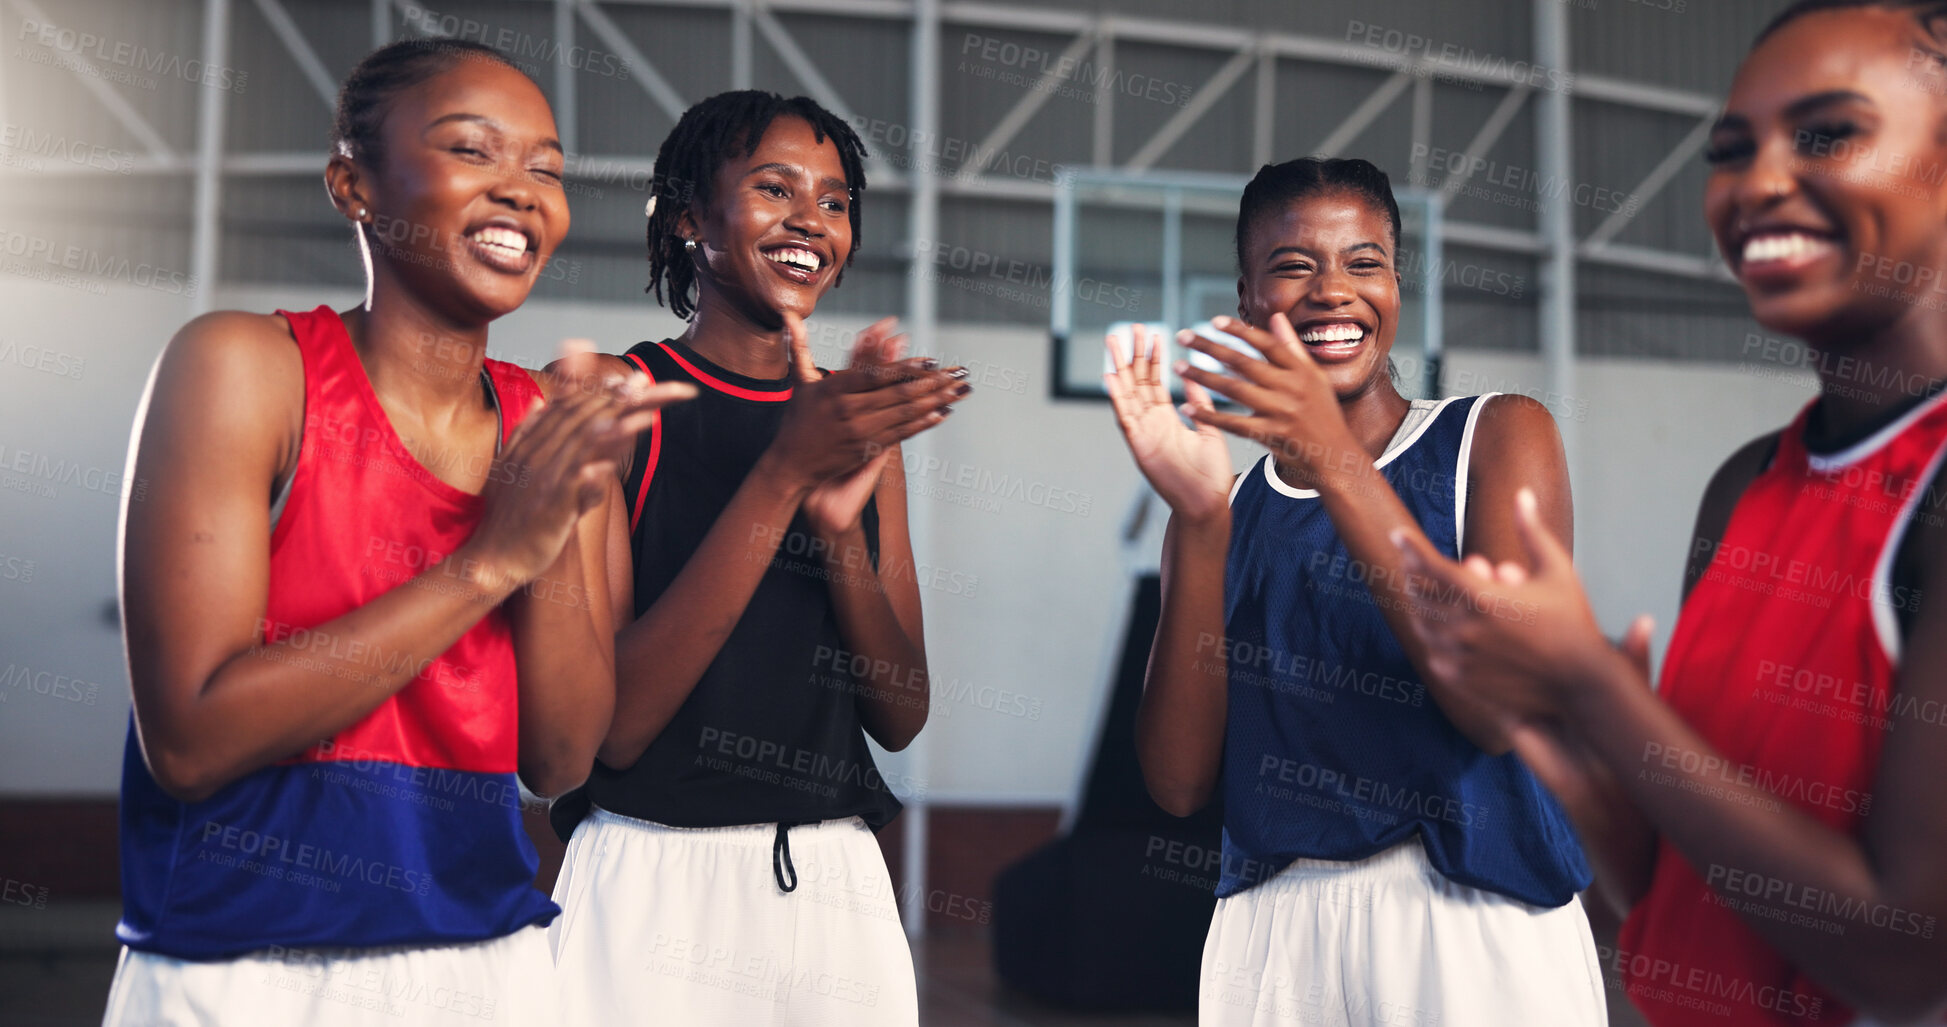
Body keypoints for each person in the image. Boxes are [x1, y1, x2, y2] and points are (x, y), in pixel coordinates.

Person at [102, 39, 692, 1026]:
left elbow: (558, 759)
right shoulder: (246, 368)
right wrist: (487, 562)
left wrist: (551, 518)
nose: (521, 191)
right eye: (475, 151)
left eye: (546, 169)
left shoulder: (547, 422)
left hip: (485, 966)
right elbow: (193, 743)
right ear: (353, 185)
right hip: (239, 968)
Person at [1387, 3, 1947, 1026]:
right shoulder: (1746, 485)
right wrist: (1579, 754)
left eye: (1827, 133)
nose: (1759, 183)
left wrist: (1601, 690)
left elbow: (1906, 965)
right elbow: (1681, 895)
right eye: (1731, 151)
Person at [1105, 157, 1606, 1024]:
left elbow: (1493, 705)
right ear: (1245, 294)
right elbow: (1178, 782)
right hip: (1274, 931)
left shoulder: (1494, 435)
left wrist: (1331, 456)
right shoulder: (1230, 507)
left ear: (1396, 284)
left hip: (1466, 915)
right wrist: (1193, 520)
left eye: (1363, 262)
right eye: (1294, 265)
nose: (1332, 290)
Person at [545, 90, 969, 1027]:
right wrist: (781, 476)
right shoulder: (621, 396)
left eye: (835, 199)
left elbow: (899, 714)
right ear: (690, 215)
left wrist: (830, 529)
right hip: (652, 874)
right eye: (775, 189)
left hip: (833, 879)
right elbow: (613, 731)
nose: (810, 220)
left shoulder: (862, 427)